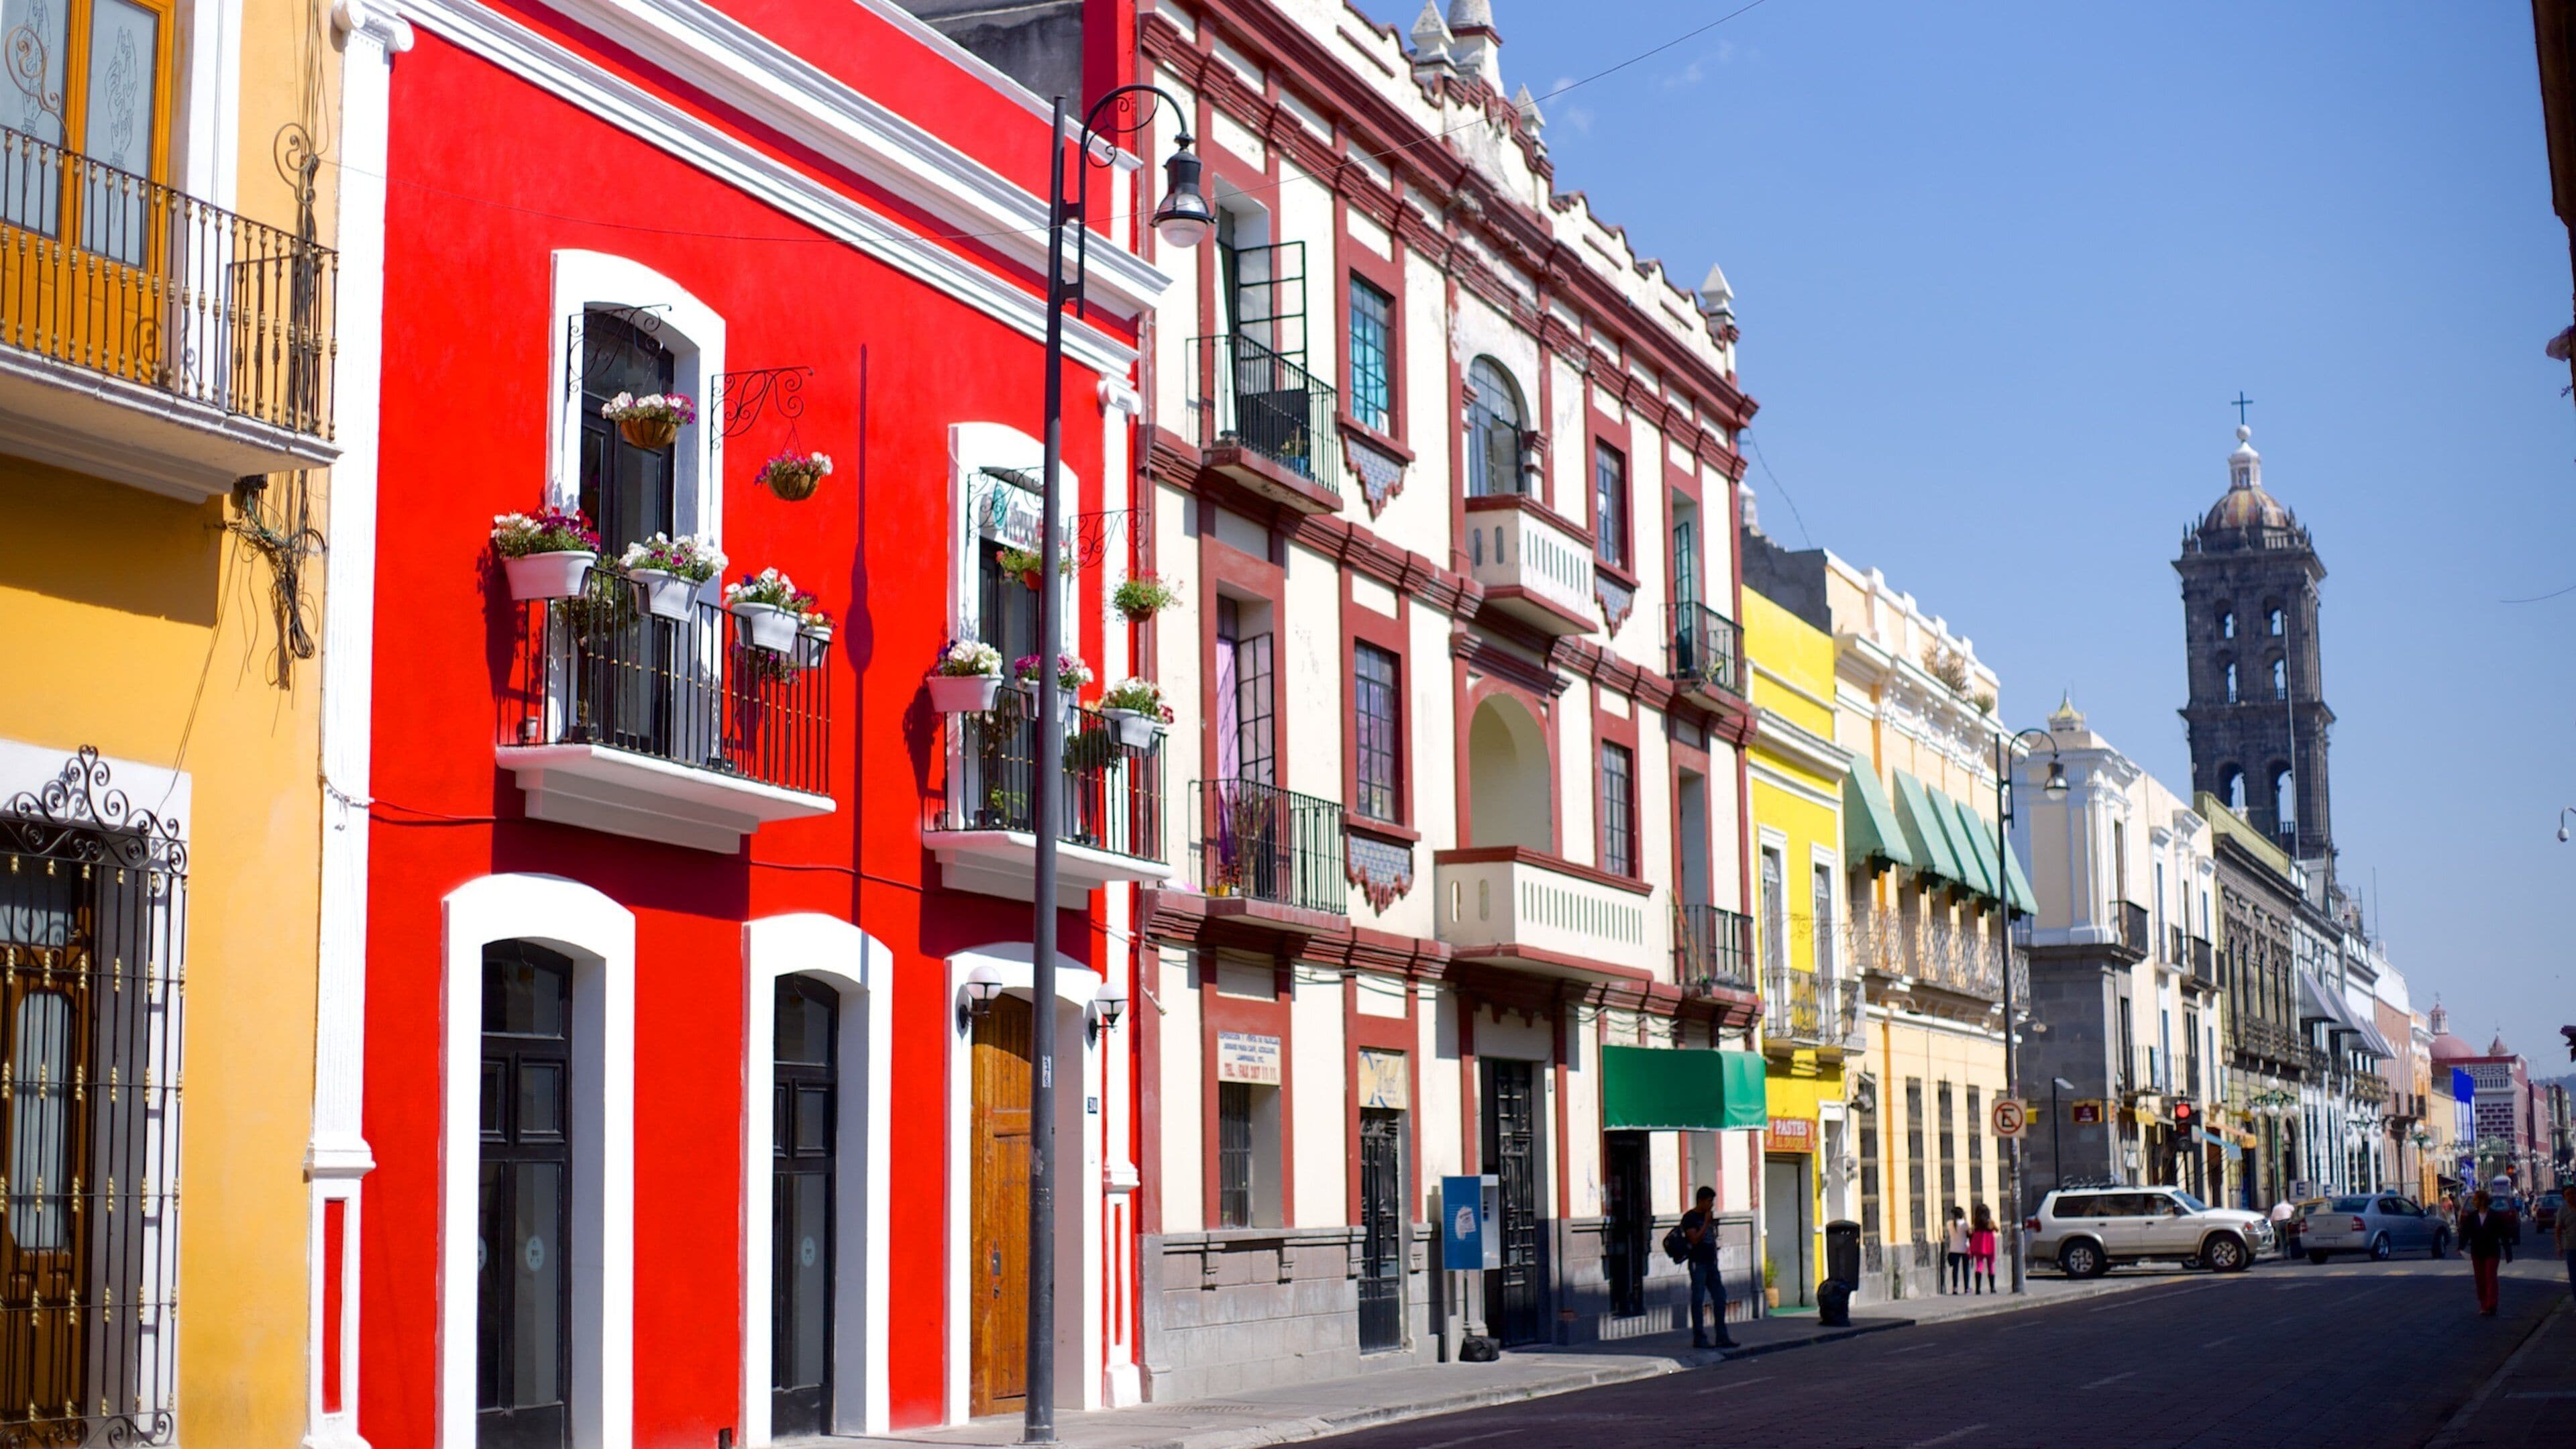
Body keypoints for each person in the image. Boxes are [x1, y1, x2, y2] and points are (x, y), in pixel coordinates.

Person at [1681, 1186, 1738, 1350]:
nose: (1711, 1204)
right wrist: (1706, 1223)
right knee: (1698, 1300)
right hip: (1698, 1263)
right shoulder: (1690, 1218)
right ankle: (1699, 1338)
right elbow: (1694, 1239)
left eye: (1712, 1201)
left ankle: (1722, 1336)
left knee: (1720, 1297)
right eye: (1709, 1201)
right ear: (1701, 1200)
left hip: (1711, 1264)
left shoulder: (1709, 1217)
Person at [2463, 1189, 2509, 1317]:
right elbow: (2465, 1233)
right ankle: (2483, 1305)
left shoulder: (2495, 1216)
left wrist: (2508, 1251)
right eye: (2476, 1200)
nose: (2477, 1202)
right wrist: (2461, 1247)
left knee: (2490, 1277)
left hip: (2492, 1251)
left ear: (2485, 1201)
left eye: (2479, 1199)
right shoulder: (2472, 1217)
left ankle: (2492, 1304)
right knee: (2480, 1279)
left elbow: (2503, 1234)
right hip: (2477, 1251)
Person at [1970, 1203, 1998, 1295]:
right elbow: (1997, 1229)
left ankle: (1978, 1289)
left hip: (1979, 1246)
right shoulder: (1990, 1222)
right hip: (1989, 1245)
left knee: (1979, 1265)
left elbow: (1971, 1231)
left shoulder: (1976, 1223)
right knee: (1991, 1266)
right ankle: (1992, 1288)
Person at [1944, 1204, 1970, 1293]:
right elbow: (1969, 1234)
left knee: (1955, 1269)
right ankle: (1967, 1288)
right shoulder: (1965, 1224)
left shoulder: (1949, 1224)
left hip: (1954, 1248)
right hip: (1964, 1248)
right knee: (1966, 1269)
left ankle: (1955, 1288)